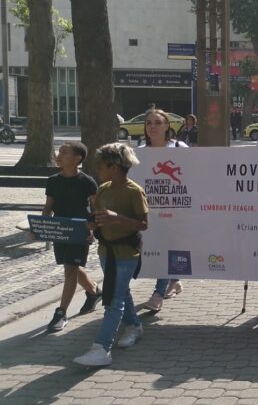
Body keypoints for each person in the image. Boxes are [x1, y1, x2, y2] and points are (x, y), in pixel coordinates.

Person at [73, 143, 147, 366]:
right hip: (106, 251)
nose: (97, 168)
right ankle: (134, 326)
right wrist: (92, 227)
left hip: (127, 253)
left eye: (100, 165)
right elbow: (97, 217)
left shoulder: (134, 191)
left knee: (113, 300)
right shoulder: (103, 189)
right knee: (121, 292)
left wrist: (118, 218)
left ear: (114, 167)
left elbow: (143, 224)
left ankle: (102, 348)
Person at [43, 142, 101, 333]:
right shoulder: (52, 181)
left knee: (70, 269)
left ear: (77, 159)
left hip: (79, 231)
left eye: (64, 152)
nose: (59, 155)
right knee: (71, 266)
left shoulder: (87, 181)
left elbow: (96, 207)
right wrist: (42, 226)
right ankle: (94, 292)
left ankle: (61, 313)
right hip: (59, 230)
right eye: (59, 151)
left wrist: (92, 227)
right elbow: (48, 206)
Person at [140, 109, 188, 313]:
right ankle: (174, 281)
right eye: (149, 122)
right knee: (164, 249)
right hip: (151, 212)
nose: (153, 126)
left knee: (167, 248)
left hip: (177, 211)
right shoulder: (140, 151)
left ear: (167, 125)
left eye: (158, 122)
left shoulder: (179, 147)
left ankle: (158, 293)